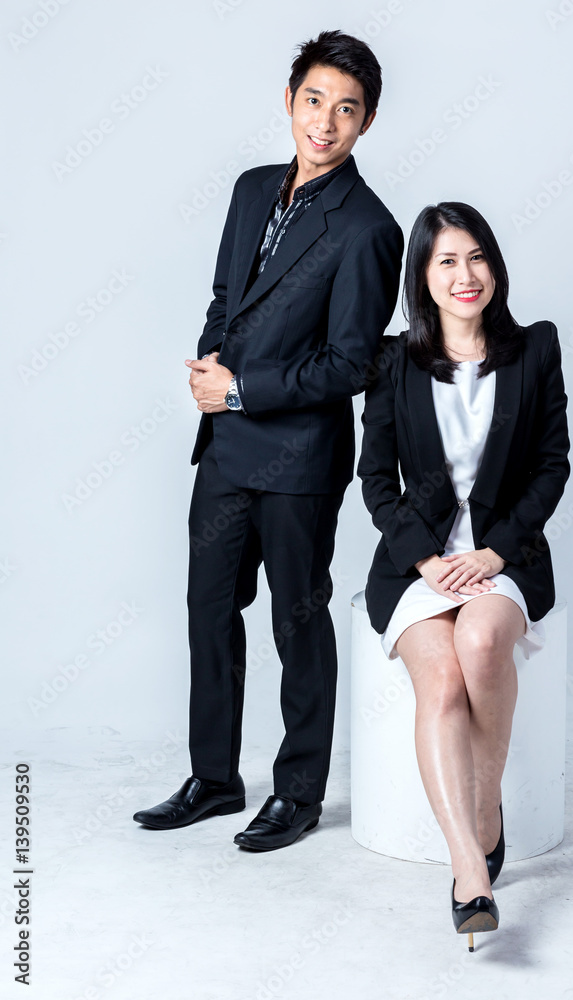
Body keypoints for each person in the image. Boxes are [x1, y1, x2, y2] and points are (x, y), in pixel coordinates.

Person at [133, 31, 403, 850]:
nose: (325, 122)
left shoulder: (368, 227)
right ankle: (213, 779)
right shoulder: (251, 189)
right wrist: (211, 362)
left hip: (297, 463)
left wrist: (243, 390)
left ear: (366, 124)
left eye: (346, 109)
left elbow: (352, 363)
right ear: (290, 100)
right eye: (314, 100)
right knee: (208, 611)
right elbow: (226, 295)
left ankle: (299, 792)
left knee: (296, 620)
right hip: (225, 450)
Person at [357, 202, 569, 947]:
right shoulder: (393, 362)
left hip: (503, 555)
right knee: (441, 679)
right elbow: (374, 479)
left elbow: (550, 466)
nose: (464, 274)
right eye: (445, 261)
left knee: (482, 643)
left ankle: (486, 812)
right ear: (422, 275)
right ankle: (468, 870)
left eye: (475, 256)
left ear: (494, 265)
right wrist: (424, 557)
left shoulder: (534, 349)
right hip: (417, 562)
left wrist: (494, 552)